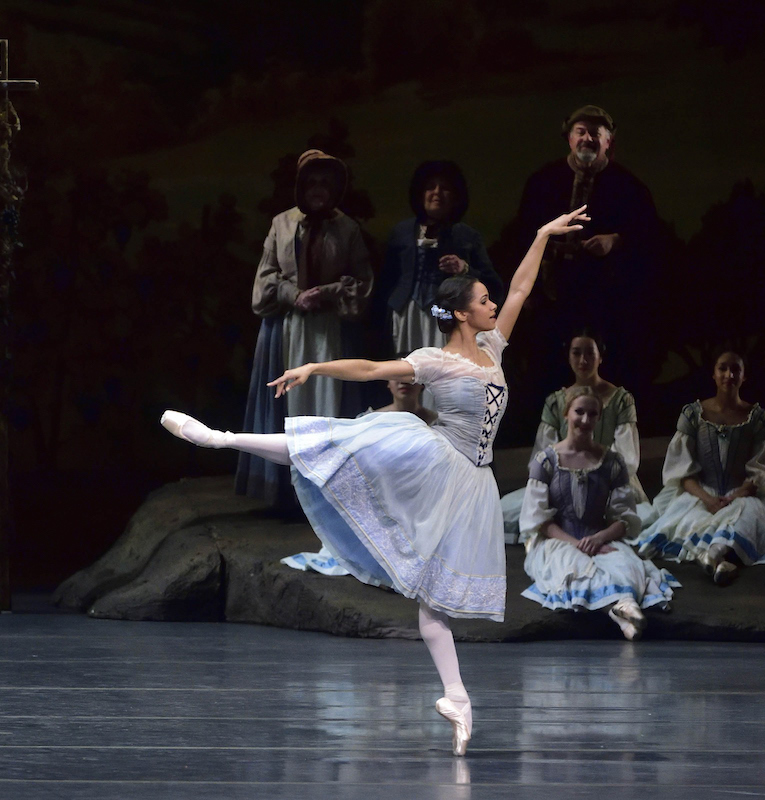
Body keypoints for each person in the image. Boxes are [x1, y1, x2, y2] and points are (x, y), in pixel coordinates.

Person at [161, 206, 590, 756]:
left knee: (432, 601)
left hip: (471, 484)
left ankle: (457, 699)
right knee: (334, 447)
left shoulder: (492, 348)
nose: (492, 305)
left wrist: (540, 234)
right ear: (462, 313)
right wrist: (314, 368)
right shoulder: (433, 361)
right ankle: (223, 439)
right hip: (434, 461)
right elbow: (368, 369)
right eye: (483, 301)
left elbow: (522, 290)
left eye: (490, 300)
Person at [235, 149, 374, 510]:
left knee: (329, 404)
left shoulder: (347, 229)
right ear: (299, 186)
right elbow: (263, 283)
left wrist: (327, 293)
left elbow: (362, 282)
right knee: (289, 406)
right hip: (288, 331)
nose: (318, 189)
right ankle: (287, 492)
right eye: (310, 182)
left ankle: (329, 492)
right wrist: (293, 295)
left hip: (330, 332)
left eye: (325, 182)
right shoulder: (282, 224)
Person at [512, 104, 660, 390]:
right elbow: (521, 238)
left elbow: (652, 239)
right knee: (549, 370)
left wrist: (615, 240)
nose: (587, 139)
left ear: (608, 141)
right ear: (569, 138)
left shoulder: (629, 188)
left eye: (595, 133)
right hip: (552, 297)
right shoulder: (543, 183)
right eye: (580, 132)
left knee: (611, 367)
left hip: (607, 298)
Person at [519, 387, 677, 640]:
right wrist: (578, 544)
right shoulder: (546, 461)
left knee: (626, 566)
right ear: (566, 414)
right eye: (579, 412)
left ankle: (625, 613)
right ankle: (622, 612)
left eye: (592, 414)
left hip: (599, 535)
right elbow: (541, 521)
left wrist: (599, 539)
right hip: (559, 540)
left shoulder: (612, 461)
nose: (585, 420)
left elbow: (624, 518)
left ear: (598, 419)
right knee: (575, 570)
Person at [633, 352, 765, 585]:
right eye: (722, 369)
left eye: (735, 370)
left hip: (742, 493)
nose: (729, 375)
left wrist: (736, 495)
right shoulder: (693, 414)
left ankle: (714, 554)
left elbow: (763, 469)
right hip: (702, 492)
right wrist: (707, 499)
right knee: (692, 522)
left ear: (744, 376)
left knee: (746, 518)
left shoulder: (757, 418)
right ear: (713, 374)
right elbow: (682, 472)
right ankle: (723, 563)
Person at [500, 329, 652, 543]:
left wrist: (598, 478)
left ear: (600, 356)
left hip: (609, 481)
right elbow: (545, 453)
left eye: (590, 353)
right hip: (565, 478)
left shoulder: (620, 400)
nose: (583, 360)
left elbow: (627, 458)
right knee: (510, 510)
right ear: (569, 356)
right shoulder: (556, 401)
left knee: (637, 518)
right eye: (576, 353)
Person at [281, 377, 435, 576]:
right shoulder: (373, 419)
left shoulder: (435, 421)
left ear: (422, 384)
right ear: (389, 383)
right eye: (398, 378)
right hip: (385, 488)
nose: (403, 383)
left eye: (410, 379)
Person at [378, 160, 503, 355]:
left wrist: (465, 269)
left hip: (443, 314)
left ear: (455, 196)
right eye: (430, 187)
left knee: (442, 364)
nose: (436, 192)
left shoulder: (466, 235)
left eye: (444, 188)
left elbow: (493, 284)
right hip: (407, 314)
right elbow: (386, 280)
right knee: (406, 367)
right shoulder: (401, 232)